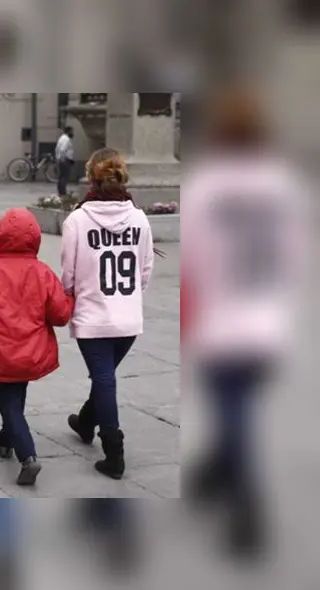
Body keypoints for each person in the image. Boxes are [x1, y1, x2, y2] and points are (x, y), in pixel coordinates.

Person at [183, 88, 306, 556]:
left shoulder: (208, 186)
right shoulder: (282, 184)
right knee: (237, 407)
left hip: (222, 320)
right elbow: (292, 256)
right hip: (266, 321)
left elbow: (195, 258)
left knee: (233, 410)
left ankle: (247, 506)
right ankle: (215, 471)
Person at [61, 148, 155, 480]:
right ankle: (86, 422)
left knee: (104, 378)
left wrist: (78, 296)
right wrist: (126, 299)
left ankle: (114, 451)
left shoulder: (77, 219)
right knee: (104, 376)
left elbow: (68, 277)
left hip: (93, 317)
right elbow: (145, 271)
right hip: (128, 318)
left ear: (90, 177)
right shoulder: (140, 218)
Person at [0, 208, 75, 486]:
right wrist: (71, 297)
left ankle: (27, 456)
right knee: (15, 397)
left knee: (8, 403)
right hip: (31, 352)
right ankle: (5, 441)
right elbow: (61, 315)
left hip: (0, 351)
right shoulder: (43, 272)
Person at [55, 125, 76, 197]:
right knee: (65, 177)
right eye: (72, 131)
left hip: (62, 160)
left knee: (61, 176)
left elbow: (57, 149)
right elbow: (62, 150)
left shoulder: (61, 138)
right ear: (68, 131)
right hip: (65, 160)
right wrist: (62, 158)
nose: (73, 133)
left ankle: (60, 192)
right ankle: (63, 193)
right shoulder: (66, 139)